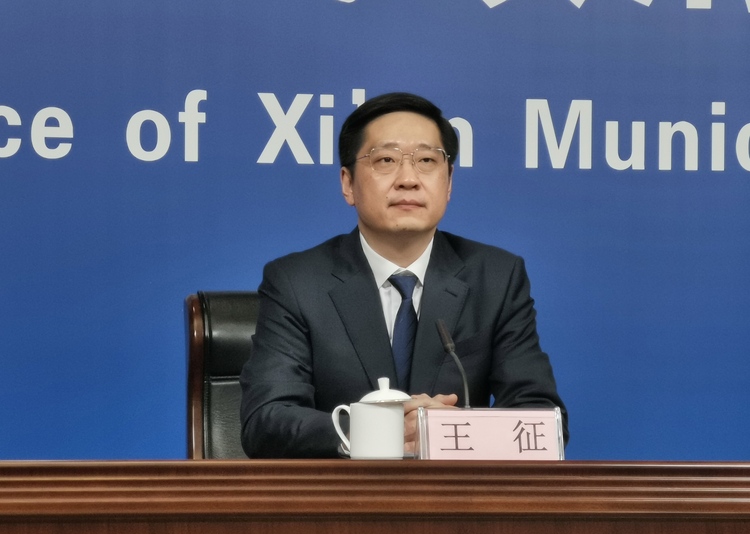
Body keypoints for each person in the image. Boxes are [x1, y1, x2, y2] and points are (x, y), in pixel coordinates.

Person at [240, 92, 568, 458]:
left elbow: (542, 419)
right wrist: (382, 431)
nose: (408, 179)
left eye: (427, 160)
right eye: (386, 160)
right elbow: (266, 421)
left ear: (449, 182)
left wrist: (449, 430)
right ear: (348, 184)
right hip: (341, 492)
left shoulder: (496, 277)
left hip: (453, 492)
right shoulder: (297, 282)